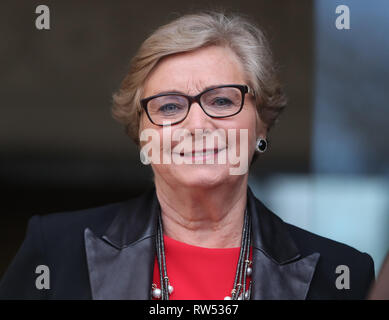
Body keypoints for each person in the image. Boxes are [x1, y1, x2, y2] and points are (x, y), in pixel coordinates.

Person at [0, 11, 374, 300]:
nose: (197, 124)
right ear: (142, 135)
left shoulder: (342, 273)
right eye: (168, 107)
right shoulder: (55, 248)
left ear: (261, 124)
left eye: (222, 100)